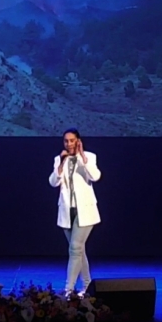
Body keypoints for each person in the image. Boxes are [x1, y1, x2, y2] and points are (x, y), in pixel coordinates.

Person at [48, 127, 102, 297]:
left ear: (78, 141)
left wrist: (83, 158)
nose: (69, 144)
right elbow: (53, 182)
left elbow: (95, 176)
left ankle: (68, 289)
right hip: (66, 210)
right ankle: (87, 285)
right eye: (66, 141)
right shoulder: (59, 159)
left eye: (72, 140)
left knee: (74, 249)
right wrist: (62, 163)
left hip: (85, 211)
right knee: (79, 250)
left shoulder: (89, 157)